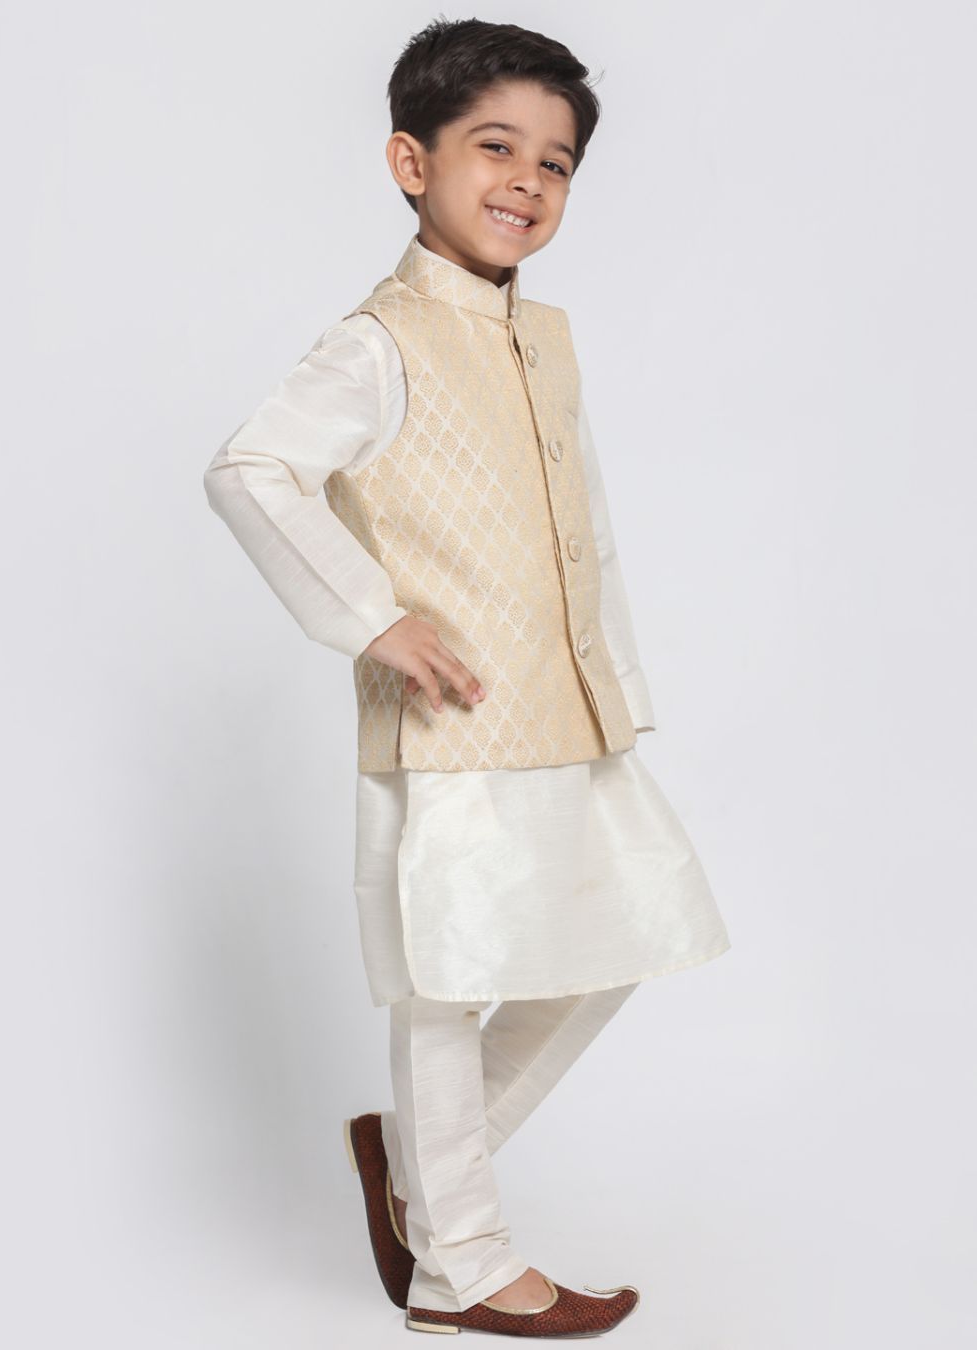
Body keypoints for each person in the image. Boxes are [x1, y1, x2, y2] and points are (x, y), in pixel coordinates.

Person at [203, 17, 731, 1338]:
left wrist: (614, 681)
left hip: (565, 707)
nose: (527, 181)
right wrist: (370, 618)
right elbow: (253, 469)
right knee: (446, 979)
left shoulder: (542, 336)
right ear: (411, 161)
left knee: (623, 933)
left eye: (556, 163)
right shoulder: (378, 341)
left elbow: (583, 528)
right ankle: (462, 1265)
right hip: (445, 724)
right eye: (496, 147)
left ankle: (416, 1165)